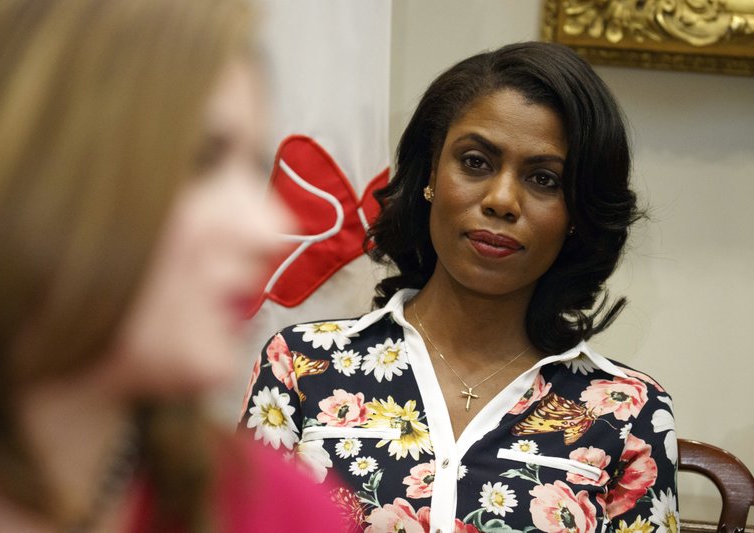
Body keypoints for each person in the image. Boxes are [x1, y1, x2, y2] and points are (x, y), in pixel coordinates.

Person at [239, 42, 678, 531]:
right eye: (475, 162)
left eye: (544, 179)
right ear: (430, 173)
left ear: (578, 213)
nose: (502, 200)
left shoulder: (631, 410)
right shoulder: (298, 366)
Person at [0, 0, 345, 531]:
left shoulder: (271, 510)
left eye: (252, 170)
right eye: (201, 159)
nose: (262, 227)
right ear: (25, 171)